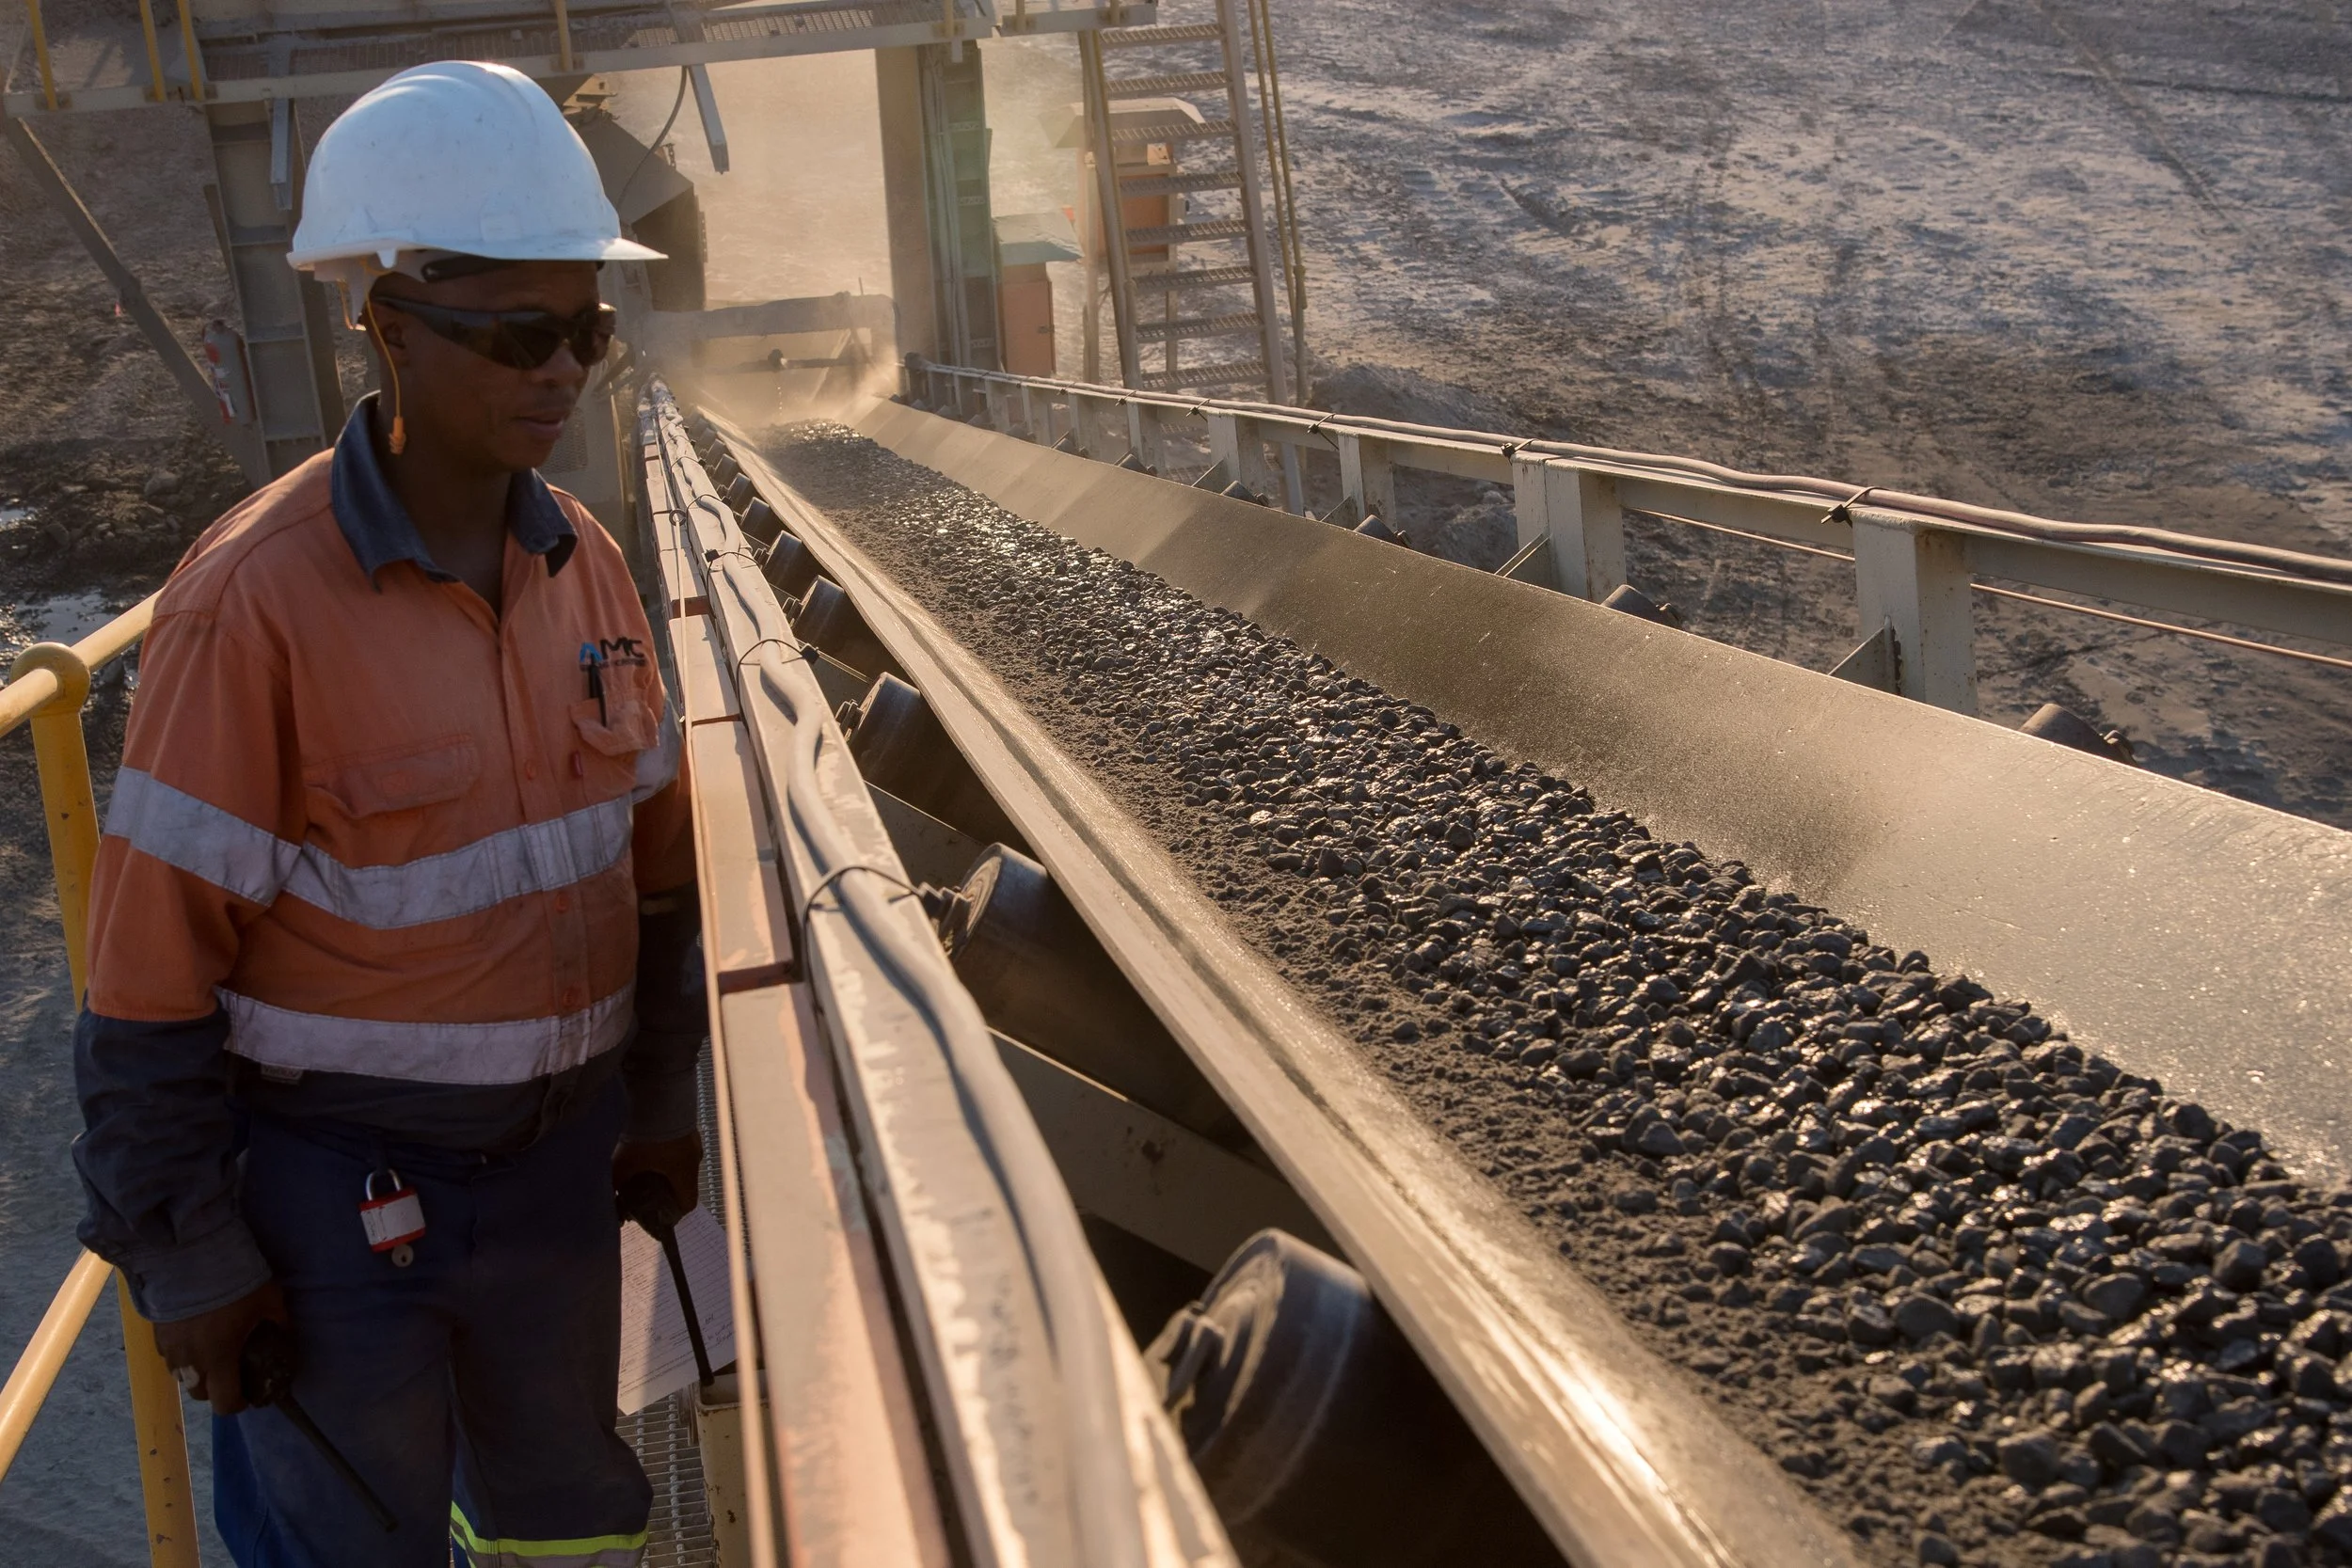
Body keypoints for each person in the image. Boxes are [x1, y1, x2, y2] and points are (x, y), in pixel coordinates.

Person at [71, 60, 700, 1568]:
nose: (563, 372)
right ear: (392, 328)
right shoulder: (251, 608)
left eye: (588, 333)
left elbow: (661, 877)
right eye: (520, 335)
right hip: (336, 1197)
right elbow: (145, 981)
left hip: (557, 1176)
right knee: (348, 1545)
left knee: (571, 1527)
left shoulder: (587, 568)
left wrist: (663, 1095)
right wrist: (190, 1256)